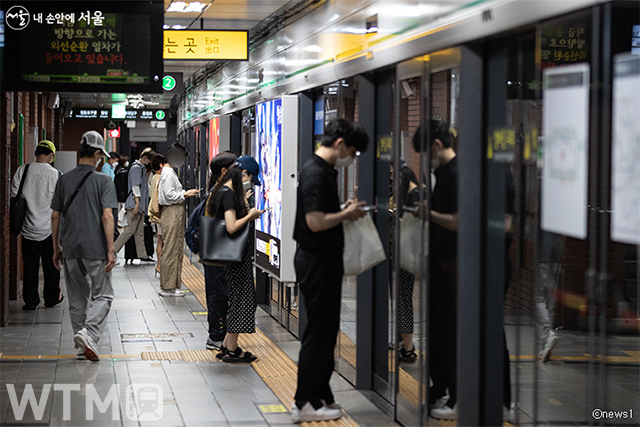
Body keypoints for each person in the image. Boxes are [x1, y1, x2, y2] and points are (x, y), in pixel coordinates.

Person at [292, 118, 369, 423]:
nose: (350, 158)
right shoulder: (315, 173)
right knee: (318, 332)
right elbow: (314, 221)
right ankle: (305, 402)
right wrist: (345, 215)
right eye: (351, 152)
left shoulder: (321, 171)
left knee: (325, 330)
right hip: (316, 261)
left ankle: (320, 395)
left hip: (321, 260)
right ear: (340, 145)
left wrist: (342, 212)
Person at [50, 131, 117, 362]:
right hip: (95, 248)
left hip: (69, 247)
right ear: (98, 154)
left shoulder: (63, 179)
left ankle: (81, 346)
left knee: (77, 298)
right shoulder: (103, 180)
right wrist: (111, 249)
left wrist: (56, 247)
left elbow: (55, 216)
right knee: (104, 295)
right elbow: (107, 216)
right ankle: (88, 334)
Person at [412, 120, 459, 420]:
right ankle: (439, 387)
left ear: (438, 146)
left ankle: (457, 397)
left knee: (451, 333)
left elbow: (458, 220)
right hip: (440, 268)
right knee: (439, 332)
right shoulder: (442, 174)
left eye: (427, 152)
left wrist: (429, 214)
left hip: (453, 268)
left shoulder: (457, 175)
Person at [207, 164, 265, 362]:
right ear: (242, 174)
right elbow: (231, 227)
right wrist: (250, 215)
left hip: (230, 257)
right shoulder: (229, 194)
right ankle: (232, 348)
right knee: (243, 300)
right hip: (235, 258)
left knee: (238, 299)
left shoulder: (221, 191)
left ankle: (226, 345)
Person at [11, 140, 63, 310]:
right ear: (51, 155)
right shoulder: (56, 174)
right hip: (49, 229)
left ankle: (31, 300)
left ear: (36, 153)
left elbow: (14, 196)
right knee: (52, 265)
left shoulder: (23, 170)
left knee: (30, 266)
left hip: (28, 228)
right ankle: (52, 297)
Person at [203, 152, 237, 351]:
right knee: (218, 295)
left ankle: (217, 335)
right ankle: (216, 336)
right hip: (217, 253)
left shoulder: (216, 190)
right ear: (224, 171)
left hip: (214, 252)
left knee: (218, 294)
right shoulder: (221, 192)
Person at [157, 143, 200, 296]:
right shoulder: (168, 173)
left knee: (175, 248)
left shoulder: (168, 172)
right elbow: (169, 195)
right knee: (171, 249)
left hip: (173, 211)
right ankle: (168, 286)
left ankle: (172, 285)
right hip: (172, 211)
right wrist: (185, 194)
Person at [396, 161, 423, 363]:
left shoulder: (414, 196)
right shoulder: (417, 194)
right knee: (403, 298)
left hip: (408, 256)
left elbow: (414, 226)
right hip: (409, 254)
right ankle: (405, 343)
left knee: (404, 299)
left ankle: (408, 348)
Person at [113, 150, 155, 262]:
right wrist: (137, 203)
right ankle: (113, 250)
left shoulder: (140, 168)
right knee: (130, 230)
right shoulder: (136, 168)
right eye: (149, 160)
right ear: (145, 157)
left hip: (140, 205)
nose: (149, 163)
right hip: (134, 204)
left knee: (139, 231)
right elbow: (135, 186)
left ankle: (142, 254)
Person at [536, 230, 562, 361]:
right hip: (557, 253)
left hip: (543, 255)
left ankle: (548, 336)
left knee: (539, 298)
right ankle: (546, 347)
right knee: (550, 301)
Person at [148, 155, 165, 273]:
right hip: (161, 211)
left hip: (155, 211)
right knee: (163, 239)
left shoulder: (152, 177)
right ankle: (160, 264)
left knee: (159, 239)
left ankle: (158, 264)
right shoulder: (161, 178)